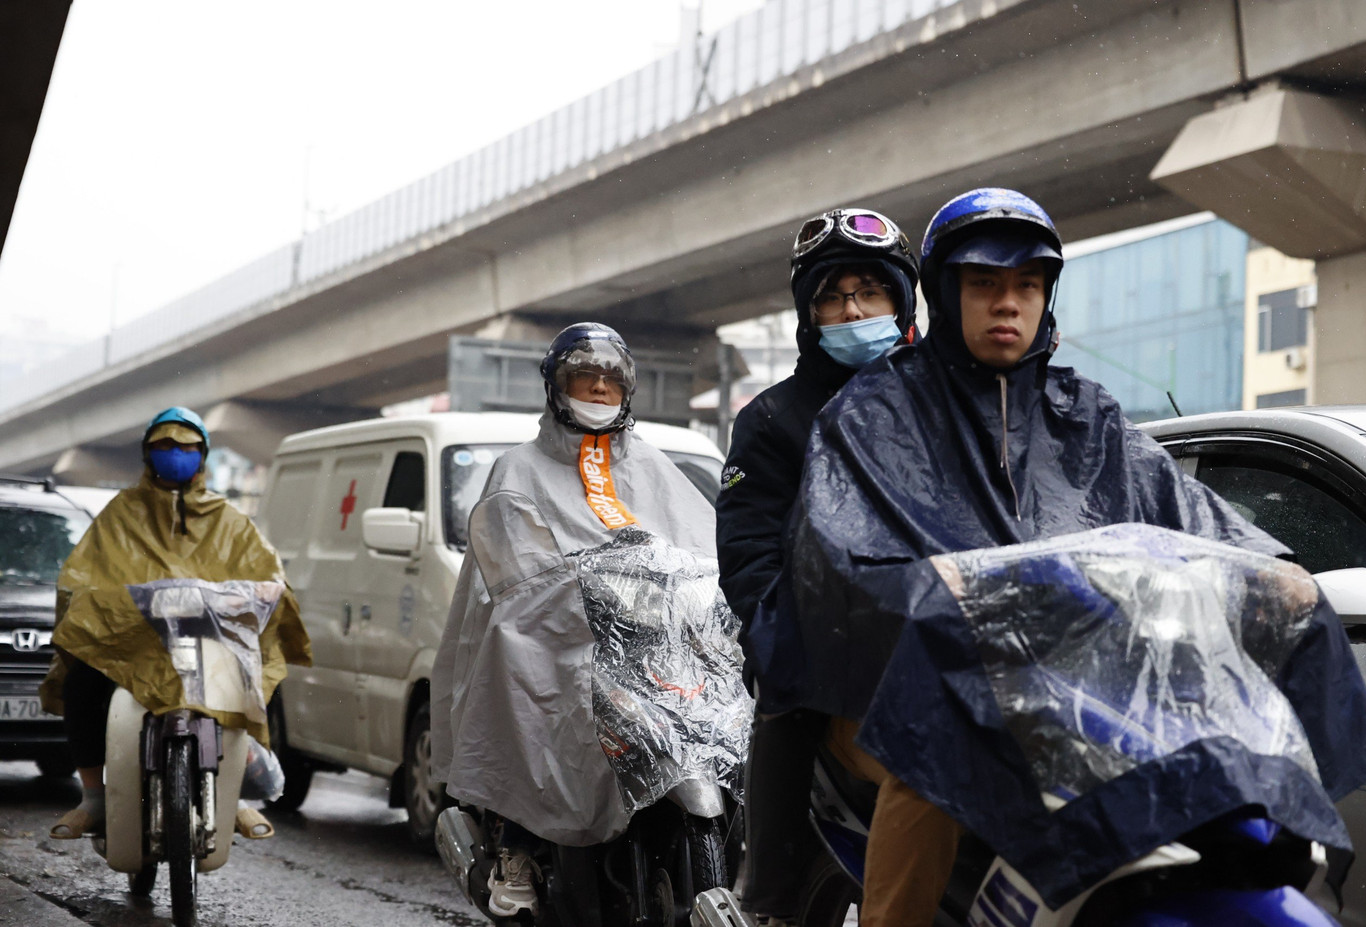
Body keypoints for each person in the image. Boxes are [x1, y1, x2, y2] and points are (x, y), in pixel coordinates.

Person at [748, 188, 1309, 926]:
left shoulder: (1086, 413)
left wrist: (1269, 566)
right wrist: (902, 599)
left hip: (1059, 678)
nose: (1007, 303)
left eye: (1027, 283)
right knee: (939, 756)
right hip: (900, 685)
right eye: (984, 282)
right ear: (945, 295)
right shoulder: (877, 413)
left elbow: (1175, 504)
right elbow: (833, 548)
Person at [430, 323, 733, 920]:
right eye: (583, 377)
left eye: (610, 379)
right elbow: (508, 569)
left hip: (646, 646)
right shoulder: (517, 467)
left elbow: (704, 542)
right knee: (525, 680)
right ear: (556, 387)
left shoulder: (653, 466)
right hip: (553, 636)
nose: (598, 388)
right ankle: (517, 843)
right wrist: (561, 593)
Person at [714, 207, 918, 926]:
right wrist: (793, 635)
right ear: (809, 314)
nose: (853, 311)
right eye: (833, 298)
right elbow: (749, 553)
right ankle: (769, 897)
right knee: (785, 712)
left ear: (903, 300)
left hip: (941, 643)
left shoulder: (946, 400)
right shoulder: (772, 419)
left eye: (869, 292)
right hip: (826, 664)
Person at [40, 406, 311, 841]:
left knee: (246, 677)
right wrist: (99, 603)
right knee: (82, 681)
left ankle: (234, 796)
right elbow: (81, 577)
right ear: (148, 453)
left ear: (203, 455)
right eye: (165, 445)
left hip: (207, 641)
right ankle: (93, 797)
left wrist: (268, 591)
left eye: (187, 447)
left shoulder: (229, 519)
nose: (176, 454)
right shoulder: (120, 514)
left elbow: (266, 572)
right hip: (132, 644)